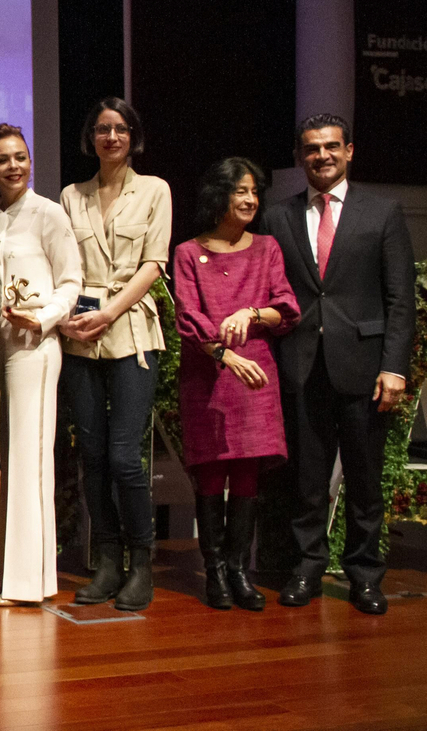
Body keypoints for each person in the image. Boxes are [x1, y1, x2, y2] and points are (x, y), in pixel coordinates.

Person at [263, 114, 414, 615]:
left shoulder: (383, 212)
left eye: (330, 147)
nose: (321, 156)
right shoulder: (277, 217)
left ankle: (365, 576)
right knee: (306, 481)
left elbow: (400, 298)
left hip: (366, 369)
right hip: (301, 365)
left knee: (365, 481)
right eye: (311, 149)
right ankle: (306, 568)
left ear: (349, 151)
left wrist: (394, 367)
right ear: (299, 157)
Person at [58, 97, 172, 611]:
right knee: (94, 456)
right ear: (91, 137)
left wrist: (109, 312)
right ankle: (106, 562)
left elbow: (153, 265)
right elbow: (65, 266)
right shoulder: (71, 195)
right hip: (81, 335)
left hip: (131, 334)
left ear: (133, 136)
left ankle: (141, 563)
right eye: (102, 128)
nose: (111, 137)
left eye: (120, 129)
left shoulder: (155, 190)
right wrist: (74, 316)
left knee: (127, 457)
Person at [172, 157, 299, 611]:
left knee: (246, 475)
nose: (249, 199)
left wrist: (251, 313)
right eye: (240, 191)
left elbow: (285, 306)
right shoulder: (189, 252)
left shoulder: (266, 248)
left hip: (256, 375)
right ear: (218, 196)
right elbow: (188, 318)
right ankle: (215, 572)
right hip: (208, 374)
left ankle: (240, 570)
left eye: (254, 192)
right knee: (211, 475)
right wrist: (225, 354)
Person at [0, 123, 81, 606]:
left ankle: (29, 582)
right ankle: (2, 572)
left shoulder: (49, 214)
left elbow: (71, 283)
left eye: (20, 156)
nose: (14, 166)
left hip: (32, 344)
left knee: (29, 456)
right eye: (3, 159)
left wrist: (40, 319)